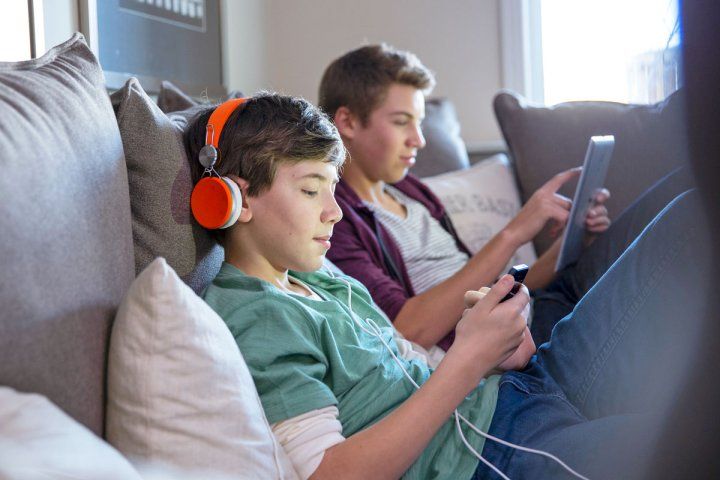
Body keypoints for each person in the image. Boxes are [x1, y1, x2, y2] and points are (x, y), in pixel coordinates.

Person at [185, 93, 708, 479]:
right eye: (309, 189)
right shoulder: (255, 315)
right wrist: (468, 361)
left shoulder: (315, 273)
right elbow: (331, 474)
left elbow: (402, 362)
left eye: (332, 188)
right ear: (233, 199)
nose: (335, 211)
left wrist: (496, 346)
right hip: (500, 447)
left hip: (519, 384)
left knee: (692, 203)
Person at [318, 44, 692, 349]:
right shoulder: (334, 218)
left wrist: (568, 246)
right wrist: (515, 232)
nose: (419, 139)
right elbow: (411, 329)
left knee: (683, 184)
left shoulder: (412, 192)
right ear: (347, 122)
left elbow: (493, 289)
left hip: (540, 308)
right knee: (685, 205)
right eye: (402, 122)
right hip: (524, 346)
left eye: (418, 122)